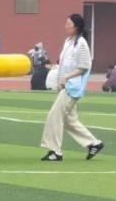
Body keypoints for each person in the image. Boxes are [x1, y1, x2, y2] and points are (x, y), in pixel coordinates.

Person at [40, 14, 104, 162]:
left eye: (68, 24)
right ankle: (94, 143)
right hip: (66, 85)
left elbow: (83, 67)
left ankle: (55, 151)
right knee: (69, 120)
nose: (66, 26)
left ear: (76, 27)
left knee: (54, 116)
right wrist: (60, 80)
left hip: (73, 87)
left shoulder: (81, 44)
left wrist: (66, 78)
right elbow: (64, 64)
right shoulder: (68, 42)